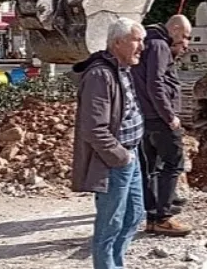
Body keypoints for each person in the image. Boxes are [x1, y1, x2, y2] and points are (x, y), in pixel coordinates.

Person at [70, 17, 147, 269]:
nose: (142, 47)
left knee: (134, 216)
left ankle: (116, 264)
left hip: (130, 156)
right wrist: (121, 156)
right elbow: (93, 128)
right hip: (115, 161)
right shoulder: (100, 75)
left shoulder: (122, 69)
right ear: (117, 43)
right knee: (110, 223)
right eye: (136, 41)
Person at [133, 14, 193, 236]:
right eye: (185, 36)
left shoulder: (147, 42)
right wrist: (169, 116)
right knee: (173, 164)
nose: (186, 42)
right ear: (174, 28)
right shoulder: (159, 46)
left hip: (145, 118)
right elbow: (156, 83)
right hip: (159, 119)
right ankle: (163, 217)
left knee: (151, 168)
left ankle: (153, 216)